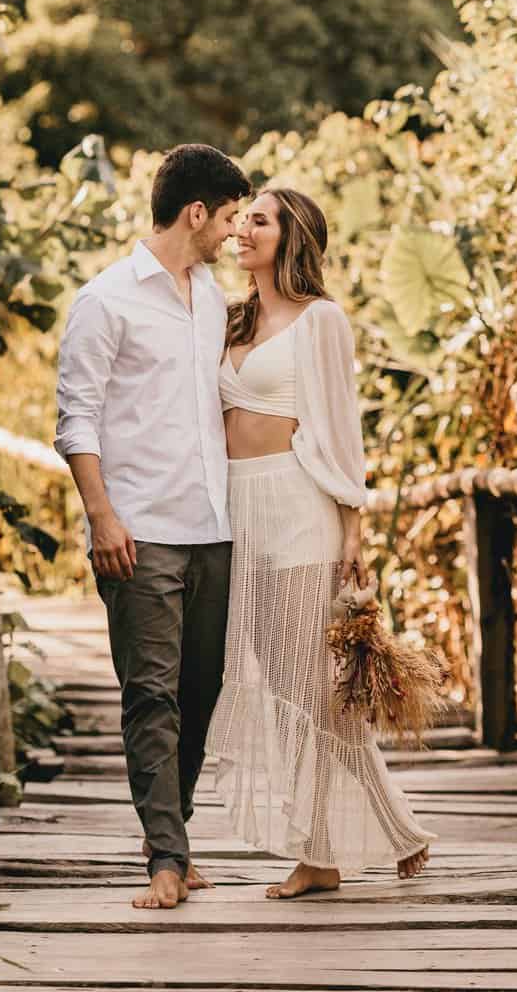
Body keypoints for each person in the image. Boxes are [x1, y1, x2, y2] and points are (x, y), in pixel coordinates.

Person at [206, 188, 434, 899]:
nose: (242, 228)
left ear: (292, 236)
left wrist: (353, 527)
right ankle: (393, 830)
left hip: (299, 505)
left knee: (309, 687)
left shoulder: (321, 319)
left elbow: (339, 426)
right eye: (241, 219)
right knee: (282, 684)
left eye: (259, 221)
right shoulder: (231, 314)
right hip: (239, 506)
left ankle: (321, 852)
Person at [53, 144, 251, 910]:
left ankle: (177, 835)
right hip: (140, 530)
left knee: (203, 692)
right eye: (229, 217)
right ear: (195, 212)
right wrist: (102, 516)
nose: (235, 233)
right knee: (151, 697)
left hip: (214, 528)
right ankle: (164, 858)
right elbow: (77, 420)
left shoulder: (211, 300)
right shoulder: (107, 300)